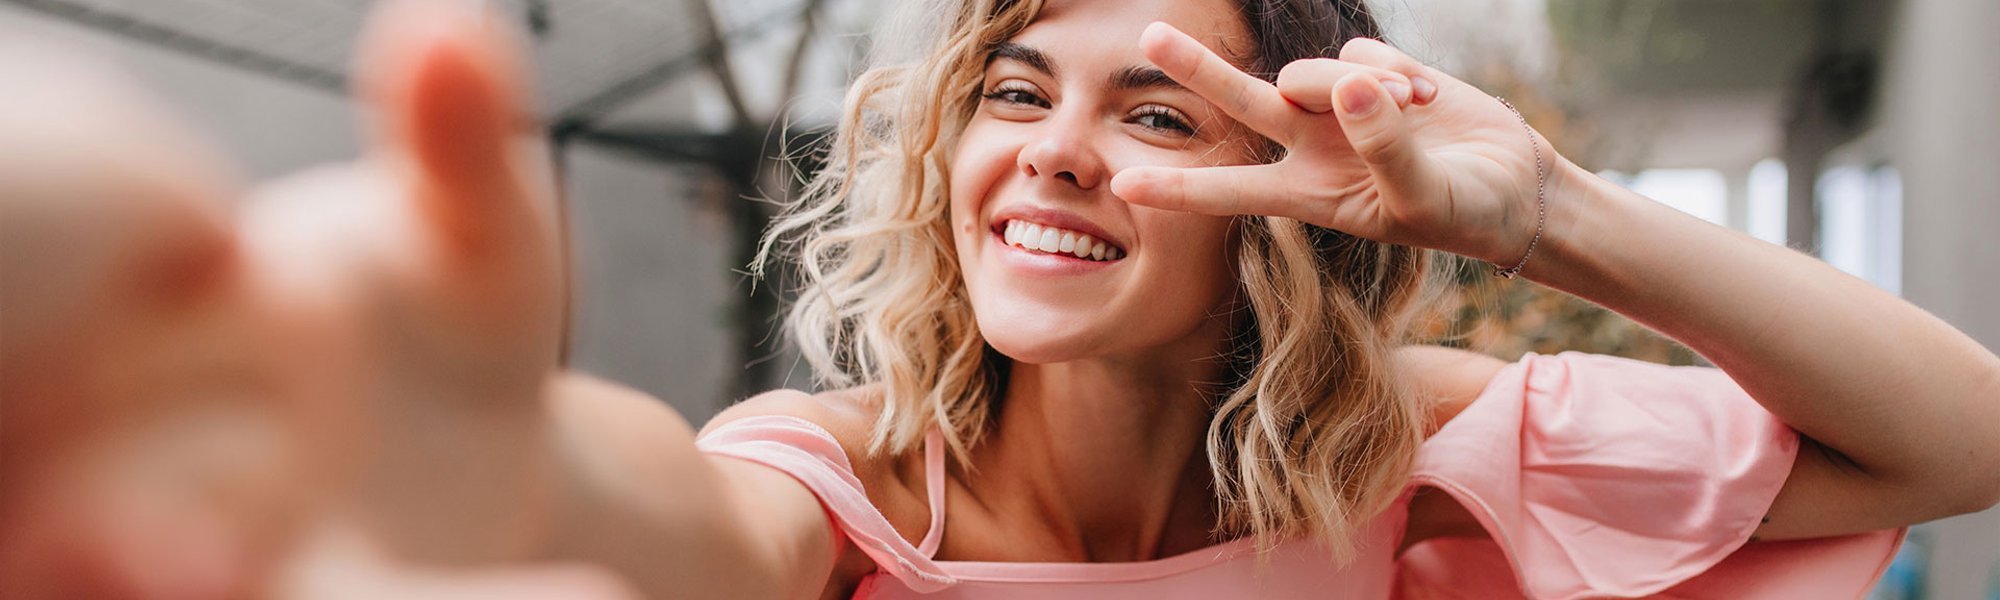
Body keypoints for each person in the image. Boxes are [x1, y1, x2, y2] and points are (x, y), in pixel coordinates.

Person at [0, 0, 1994, 598]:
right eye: (1016, 91)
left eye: (1158, 111)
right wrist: (475, 455)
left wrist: (1547, 211)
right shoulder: (848, 482)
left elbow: (1957, 441)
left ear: (1288, 208)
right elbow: (670, 517)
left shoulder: (1408, 448)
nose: (1056, 150)